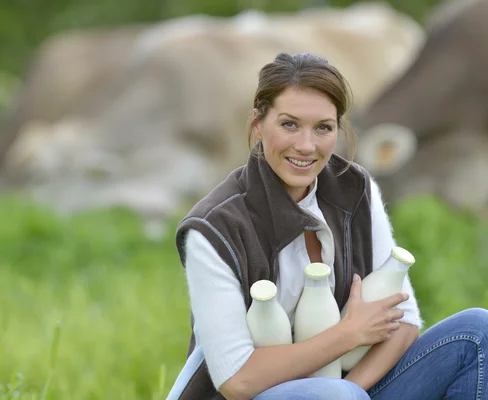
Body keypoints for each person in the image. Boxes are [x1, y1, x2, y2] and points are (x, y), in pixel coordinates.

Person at [166, 52, 488, 400]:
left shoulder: (356, 190)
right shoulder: (213, 229)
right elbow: (236, 380)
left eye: (323, 127)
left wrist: (351, 390)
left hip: (347, 392)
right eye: (289, 124)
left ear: (338, 129)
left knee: (476, 333)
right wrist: (348, 335)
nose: (306, 146)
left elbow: (404, 321)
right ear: (258, 124)